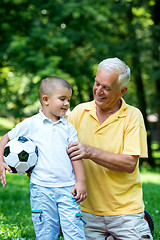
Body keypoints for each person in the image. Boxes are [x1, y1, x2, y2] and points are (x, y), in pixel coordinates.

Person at [67, 57, 153, 240]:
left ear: (122, 91)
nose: (99, 91)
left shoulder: (132, 116)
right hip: (86, 211)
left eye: (106, 88)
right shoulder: (79, 112)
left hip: (125, 211)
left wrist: (90, 152)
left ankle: (140, 225)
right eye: (97, 83)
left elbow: (129, 163)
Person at [0, 76, 87, 240]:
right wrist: (0, 161)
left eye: (68, 99)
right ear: (45, 100)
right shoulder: (31, 124)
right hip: (41, 190)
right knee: (46, 233)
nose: (67, 104)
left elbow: (76, 156)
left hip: (68, 189)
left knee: (75, 232)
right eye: (62, 99)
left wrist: (81, 181)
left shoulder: (68, 128)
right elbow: (5, 139)